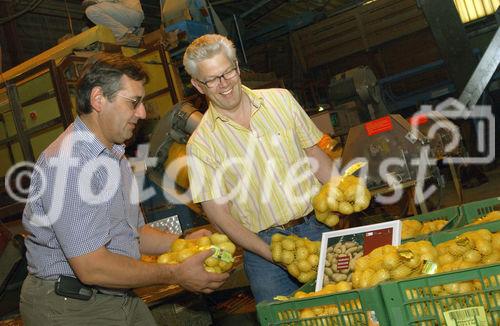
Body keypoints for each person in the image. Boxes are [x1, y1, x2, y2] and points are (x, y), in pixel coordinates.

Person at [20, 52, 229, 325]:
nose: (142, 113)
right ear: (98, 99)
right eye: (134, 102)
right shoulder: (68, 165)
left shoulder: (114, 156)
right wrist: (176, 274)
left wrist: (181, 244)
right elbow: (92, 267)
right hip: (70, 307)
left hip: (117, 294)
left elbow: (134, 233)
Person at [183, 34, 334, 303]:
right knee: (285, 319)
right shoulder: (201, 144)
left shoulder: (281, 101)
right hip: (263, 251)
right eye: (212, 79)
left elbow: (315, 157)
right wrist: (271, 253)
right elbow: (220, 217)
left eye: (228, 72)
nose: (225, 84)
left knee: (345, 307)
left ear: (238, 67)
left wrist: (343, 194)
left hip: (317, 228)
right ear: (198, 85)